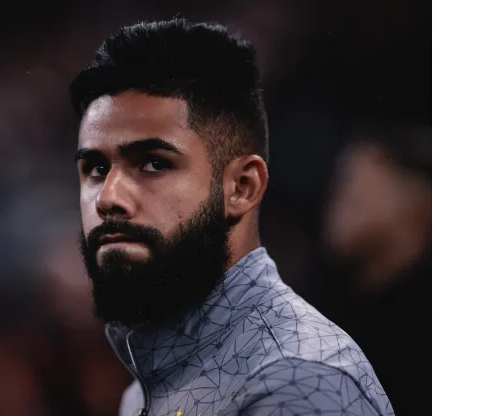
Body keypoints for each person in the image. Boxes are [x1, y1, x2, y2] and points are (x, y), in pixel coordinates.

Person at [69, 18, 394, 416]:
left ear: (242, 186)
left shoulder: (297, 382)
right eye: (97, 168)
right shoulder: (145, 385)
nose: (108, 197)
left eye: (153, 163)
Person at [314, 123, 431, 415]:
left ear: (419, 205)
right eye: (337, 192)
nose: (336, 211)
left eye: (357, 199)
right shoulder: (323, 305)